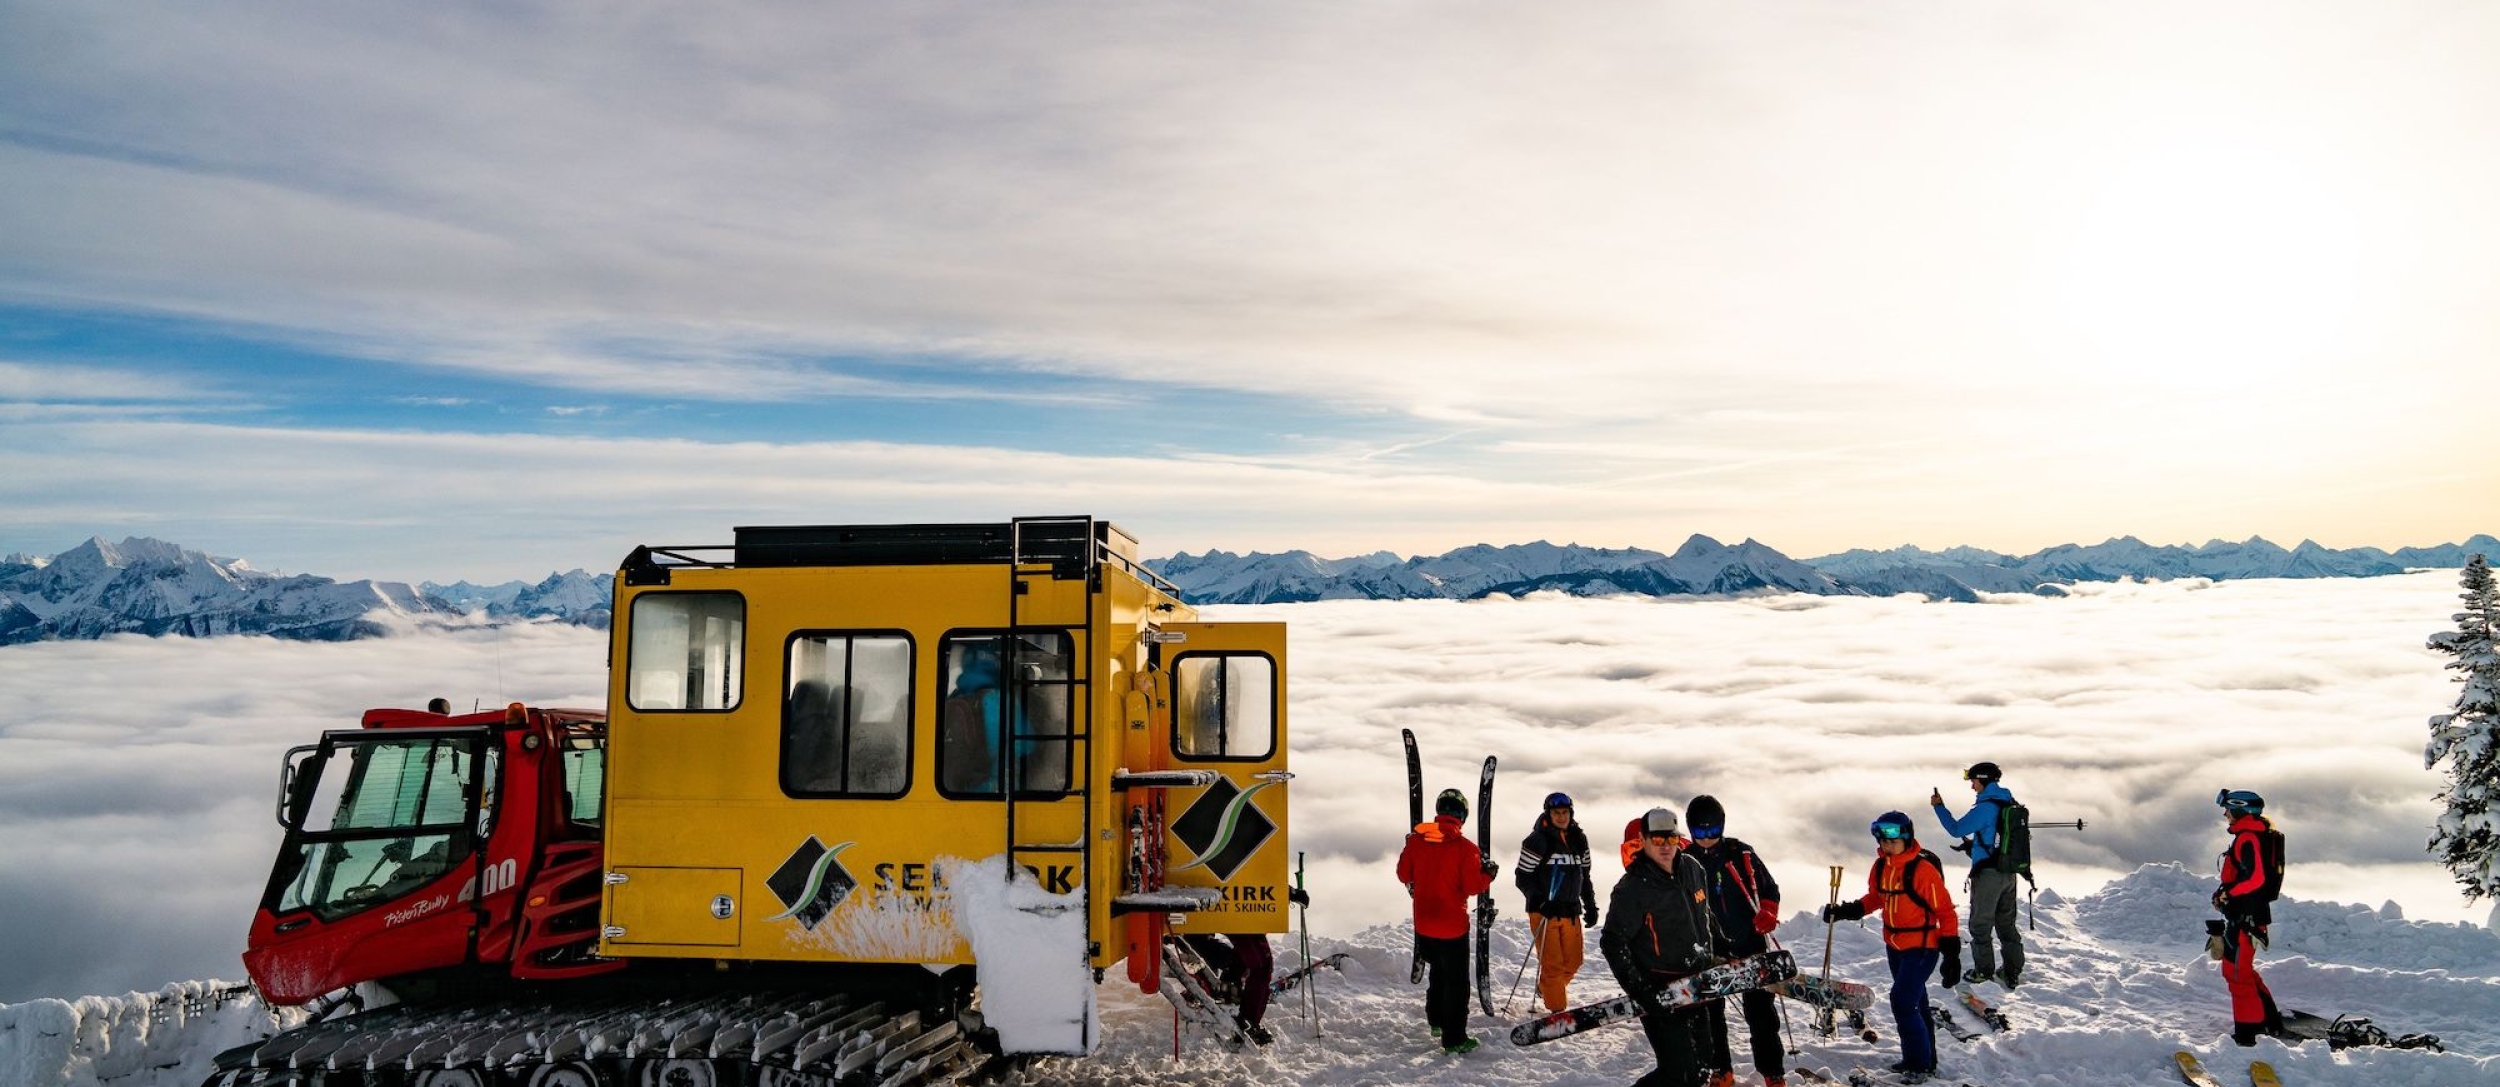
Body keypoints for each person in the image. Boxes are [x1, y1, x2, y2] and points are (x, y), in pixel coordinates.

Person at [1822, 811, 1959, 1084]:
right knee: (1916, 1002)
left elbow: (1945, 911)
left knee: (1903, 1001)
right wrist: (1847, 910)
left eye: (1893, 842)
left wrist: (1951, 954)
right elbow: (1876, 897)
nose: (1887, 846)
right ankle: (1922, 1059)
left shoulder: (1922, 871)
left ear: (1907, 839)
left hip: (1921, 947)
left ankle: (1919, 1065)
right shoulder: (1881, 866)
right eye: (1883, 841)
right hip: (1894, 945)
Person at [1601, 807, 1726, 1087]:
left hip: (1697, 986)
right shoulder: (1632, 888)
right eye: (1657, 840)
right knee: (1678, 1073)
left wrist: (1721, 949)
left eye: (1670, 839)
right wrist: (1642, 990)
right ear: (1643, 840)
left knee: (1703, 1068)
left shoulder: (1693, 869)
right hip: (1661, 991)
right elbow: (1613, 942)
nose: (1665, 847)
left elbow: (1704, 913)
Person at [1685, 795, 1786, 1087]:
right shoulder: (1685, 861)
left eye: (1713, 831)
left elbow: (1770, 888)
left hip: (1749, 941)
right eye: (1700, 833)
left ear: (1722, 827)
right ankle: (1720, 1071)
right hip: (1709, 947)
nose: (1706, 839)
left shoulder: (1740, 854)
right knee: (1710, 1012)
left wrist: (1768, 912)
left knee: (1761, 1013)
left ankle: (1773, 1073)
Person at [1398, 787, 1498, 1053]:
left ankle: (1436, 1021)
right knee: (1457, 983)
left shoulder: (1417, 841)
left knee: (1437, 973)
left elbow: (1402, 873)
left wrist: (1409, 845)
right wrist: (1488, 874)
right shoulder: (1467, 849)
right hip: (1452, 927)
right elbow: (1472, 886)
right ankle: (1454, 1038)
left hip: (1424, 925)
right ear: (1462, 816)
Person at [1928, 760, 2025, 989]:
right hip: (2008, 873)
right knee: (2006, 924)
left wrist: (1939, 807)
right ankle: (2011, 972)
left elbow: (1955, 829)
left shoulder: (1985, 807)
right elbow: (1997, 837)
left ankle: (1983, 970)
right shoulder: (2008, 801)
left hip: (1988, 875)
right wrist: (1976, 846)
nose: (1972, 786)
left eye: (1973, 781)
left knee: (1980, 925)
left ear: (1982, 780)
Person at [2213, 789, 2286, 1047]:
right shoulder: (2256, 834)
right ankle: (2269, 1020)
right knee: (2240, 970)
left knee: (2237, 974)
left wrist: (2228, 893)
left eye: (2228, 810)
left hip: (2246, 918)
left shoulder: (2248, 838)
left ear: (2241, 810)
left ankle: (2249, 1033)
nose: (2225, 814)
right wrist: (2225, 893)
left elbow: (2256, 879)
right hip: (2247, 916)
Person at [1514, 790, 1599, 1013]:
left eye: (1565, 812)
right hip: (1544, 913)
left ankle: (1547, 989)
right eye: (1556, 813)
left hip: (1571, 912)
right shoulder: (1537, 841)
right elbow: (1522, 877)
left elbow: (1585, 875)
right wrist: (1539, 901)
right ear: (1548, 814)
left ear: (1571, 814)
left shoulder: (1579, 840)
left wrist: (1590, 905)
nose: (1561, 817)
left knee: (1573, 963)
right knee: (1553, 967)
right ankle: (1557, 1012)